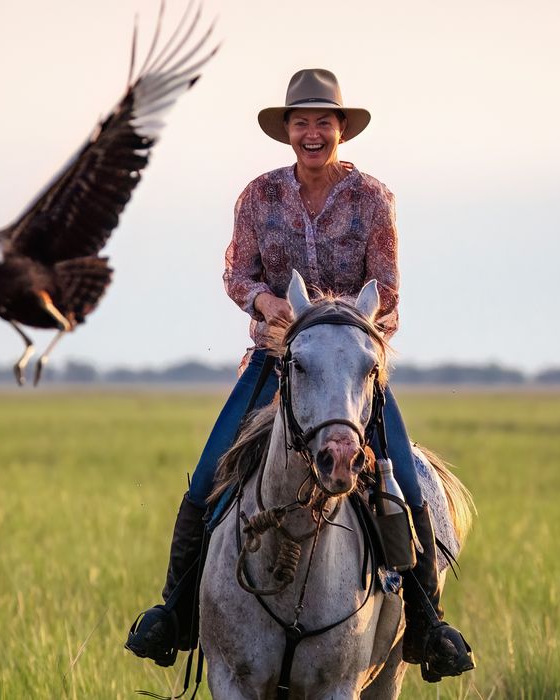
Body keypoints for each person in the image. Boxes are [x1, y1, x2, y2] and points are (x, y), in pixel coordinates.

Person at [125, 68, 474, 680]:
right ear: (287, 131)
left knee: (408, 490)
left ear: (341, 129)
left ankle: (427, 623)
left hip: (351, 364)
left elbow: (386, 292)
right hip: (274, 359)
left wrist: (330, 322)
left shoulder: (373, 199)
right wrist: (265, 304)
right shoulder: (259, 196)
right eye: (301, 122)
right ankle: (175, 616)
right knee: (208, 477)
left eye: (323, 122)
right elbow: (237, 273)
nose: (312, 133)